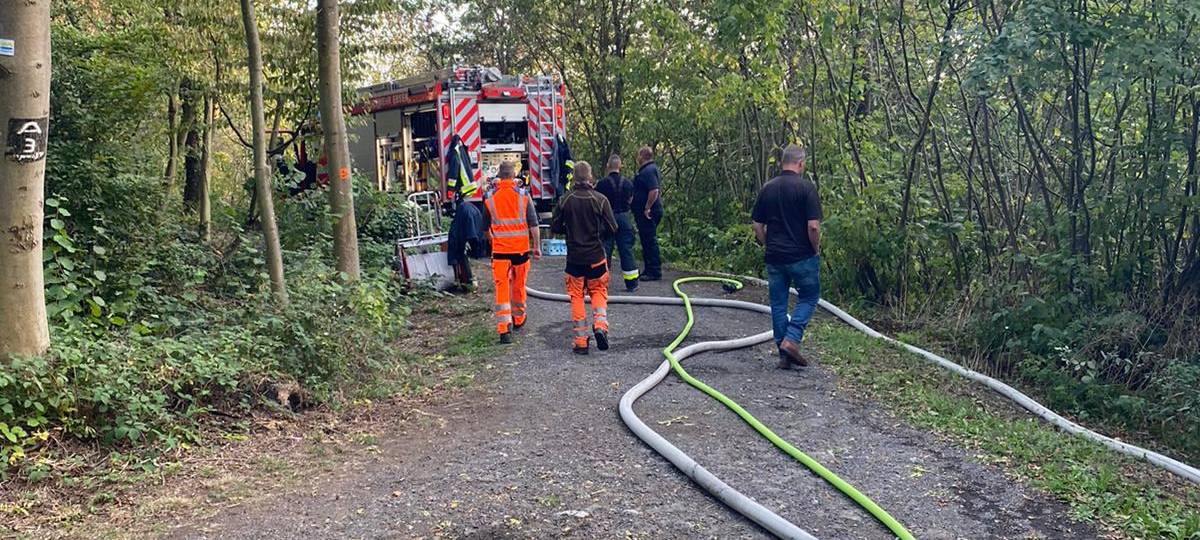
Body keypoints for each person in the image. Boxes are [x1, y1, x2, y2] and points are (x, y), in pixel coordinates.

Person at [752, 144, 822, 370]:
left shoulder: (767, 189)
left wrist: (767, 243)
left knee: (779, 304)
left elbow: (757, 225)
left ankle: (784, 352)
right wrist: (815, 249)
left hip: (775, 257)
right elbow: (813, 227)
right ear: (801, 163)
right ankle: (792, 339)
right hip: (802, 255)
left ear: (782, 162)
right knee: (810, 296)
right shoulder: (806, 189)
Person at [551, 161, 618, 355]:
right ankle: (600, 326)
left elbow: (555, 227)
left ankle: (581, 341)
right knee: (598, 291)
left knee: (577, 296)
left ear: (574, 177)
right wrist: (597, 233)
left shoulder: (565, 200)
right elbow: (613, 227)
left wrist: (570, 231)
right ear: (590, 177)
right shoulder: (600, 199)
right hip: (596, 256)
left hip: (574, 259)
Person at [482, 161, 541, 344]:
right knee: (519, 285)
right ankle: (519, 319)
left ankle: (503, 328)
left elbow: (485, 228)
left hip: (500, 252)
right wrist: (537, 246)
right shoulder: (524, 196)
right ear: (514, 176)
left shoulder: (489, 197)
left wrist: (493, 239)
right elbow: (534, 224)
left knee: (501, 287)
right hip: (520, 250)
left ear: (499, 176)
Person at [595, 154, 639, 291]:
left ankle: (602, 283)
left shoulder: (601, 184)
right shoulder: (628, 183)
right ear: (620, 166)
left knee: (605, 249)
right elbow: (631, 200)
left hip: (608, 219)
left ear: (608, 166)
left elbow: (597, 201)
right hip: (624, 218)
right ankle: (632, 284)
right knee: (626, 250)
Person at [632, 146, 664, 281]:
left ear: (642, 156)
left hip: (649, 213)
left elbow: (654, 190)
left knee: (650, 241)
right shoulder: (648, 170)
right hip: (645, 212)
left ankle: (654, 271)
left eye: (638, 155)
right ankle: (648, 269)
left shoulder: (648, 171)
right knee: (646, 240)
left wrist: (647, 207)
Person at [446, 191, 483, 292]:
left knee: (459, 252)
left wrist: (453, 257)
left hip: (470, 234)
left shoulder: (462, 210)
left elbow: (455, 234)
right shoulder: (470, 206)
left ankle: (464, 281)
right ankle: (467, 281)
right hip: (477, 234)